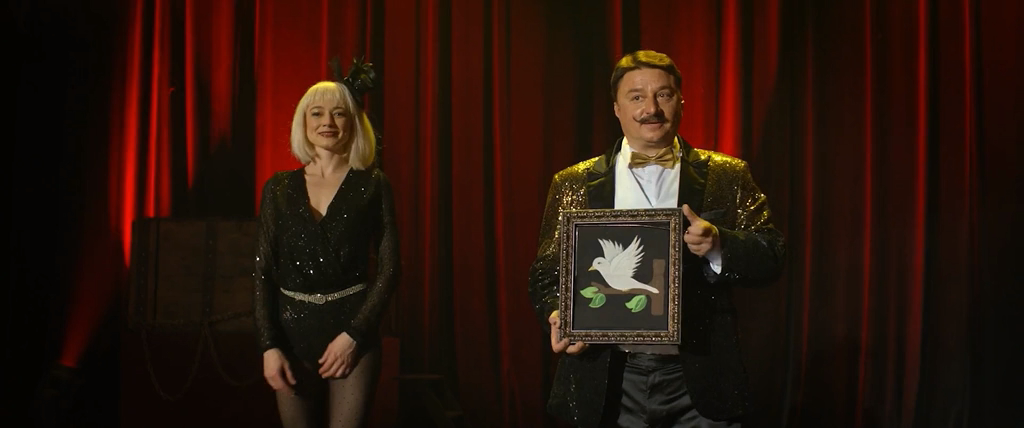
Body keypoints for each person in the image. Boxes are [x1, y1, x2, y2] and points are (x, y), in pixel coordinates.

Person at [528, 50, 785, 428]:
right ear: (617, 109)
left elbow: (772, 256)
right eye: (636, 97)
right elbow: (546, 273)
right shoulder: (574, 181)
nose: (651, 108)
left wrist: (719, 244)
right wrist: (558, 315)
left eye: (663, 95)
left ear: (681, 102)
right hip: (608, 377)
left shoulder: (726, 174)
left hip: (700, 377)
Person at [254, 59, 399, 428]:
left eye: (338, 113)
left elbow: (390, 268)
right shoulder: (278, 189)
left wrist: (355, 334)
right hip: (291, 336)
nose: (327, 122)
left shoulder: (373, 184)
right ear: (303, 122)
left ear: (353, 122)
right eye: (316, 113)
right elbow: (263, 271)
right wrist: (269, 346)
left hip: (353, 333)